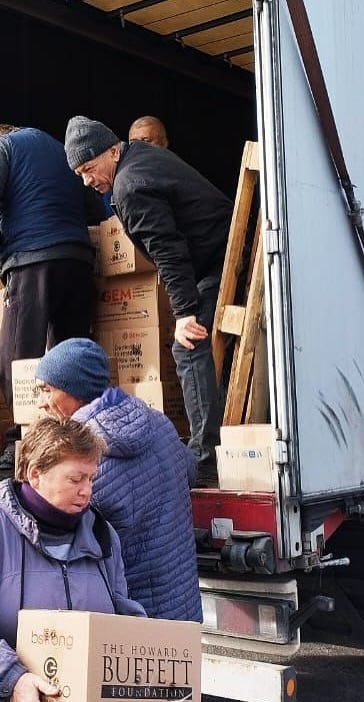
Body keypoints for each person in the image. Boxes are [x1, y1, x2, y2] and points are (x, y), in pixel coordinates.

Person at [0, 417, 144, 702]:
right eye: (75, 479)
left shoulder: (102, 534)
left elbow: (121, 613)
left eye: (91, 479)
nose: (87, 492)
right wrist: (12, 679)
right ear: (35, 474)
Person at [64, 115, 233, 484]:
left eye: (89, 168)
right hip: (222, 251)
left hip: (221, 260)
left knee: (188, 348)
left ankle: (205, 460)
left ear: (112, 151)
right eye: (80, 174)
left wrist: (185, 313)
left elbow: (170, 252)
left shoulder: (129, 187)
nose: (87, 180)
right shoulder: (139, 158)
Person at [0, 124, 99, 480]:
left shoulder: (3, 147)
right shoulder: (59, 150)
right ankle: (77, 440)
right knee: (69, 358)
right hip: (79, 261)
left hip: (35, 260)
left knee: (15, 357)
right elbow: (95, 205)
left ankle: (20, 442)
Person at [34, 337, 202, 622]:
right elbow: (190, 471)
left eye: (47, 390)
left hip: (132, 620)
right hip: (180, 605)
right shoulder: (158, 422)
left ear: (76, 391)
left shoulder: (79, 460)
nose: (41, 403)